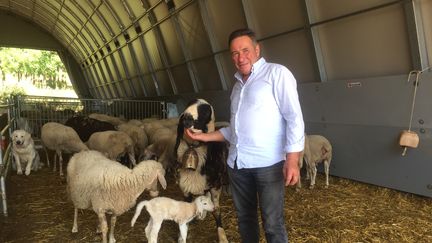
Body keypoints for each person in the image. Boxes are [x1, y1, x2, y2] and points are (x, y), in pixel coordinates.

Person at [184, 28, 305, 243]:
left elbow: (294, 118)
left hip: (268, 165)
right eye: (235, 53)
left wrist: (293, 160)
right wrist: (204, 137)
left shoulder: (277, 74)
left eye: (245, 50)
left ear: (257, 50)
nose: (241, 57)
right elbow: (235, 130)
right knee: (245, 219)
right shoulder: (237, 87)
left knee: (272, 222)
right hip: (238, 165)